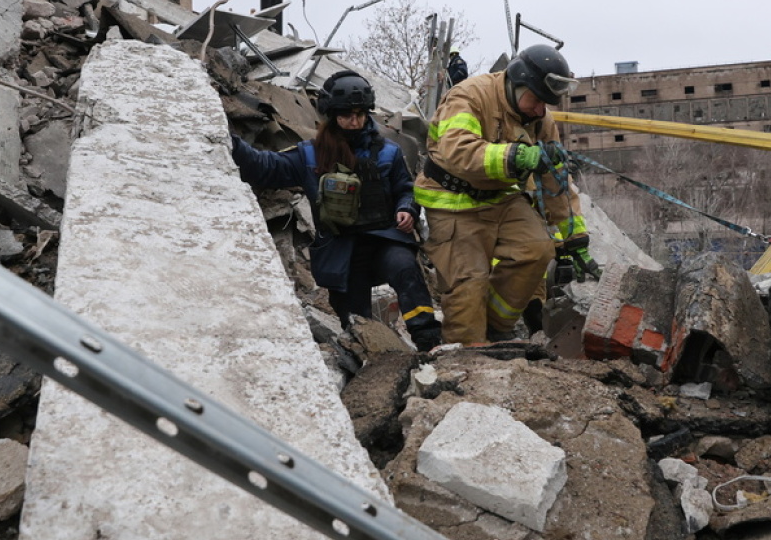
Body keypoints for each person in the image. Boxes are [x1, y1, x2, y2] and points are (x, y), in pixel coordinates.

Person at [230, 70, 443, 351]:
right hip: (342, 251)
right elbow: (263, 168)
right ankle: (371, 363)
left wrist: (407, 209)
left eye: (360, 114)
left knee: (405, 269)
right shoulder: (309, 155)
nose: (354, 122)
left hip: (385, 241)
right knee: (356, 324)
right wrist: (229, 140)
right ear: (332, 115)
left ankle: (429, 343)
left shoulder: (388, 152)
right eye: (346, 115)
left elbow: (406, 189)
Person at [414, 44, 601, 345]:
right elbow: (457, 151)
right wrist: (516, 157)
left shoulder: (540, 119)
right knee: (468, 288)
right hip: (452, 201)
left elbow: (555, 181)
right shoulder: (470, 96)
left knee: (539, 249)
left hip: (500, 198)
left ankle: (496, 327)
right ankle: (469, 352)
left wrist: (574, 238)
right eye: (537, 100)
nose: (541, 110)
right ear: (517, 84)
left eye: (546, 104)